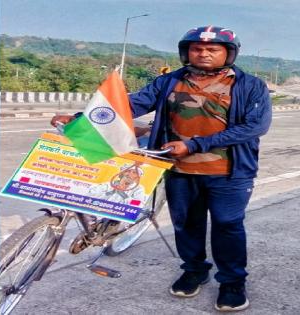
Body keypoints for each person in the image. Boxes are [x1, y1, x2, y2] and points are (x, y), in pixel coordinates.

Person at [51, 25, 272, 312]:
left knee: (227, 226)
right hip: (178, 169)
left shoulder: (249, 85)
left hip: (228, 173)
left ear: (228, 53)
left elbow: (255, 126)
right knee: (186, 224)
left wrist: (194, 145)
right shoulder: (169, 81)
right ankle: (194, 270)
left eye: (212, 49)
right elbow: (131, 105)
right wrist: (83, 119)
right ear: (186, 52)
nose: (203, 53)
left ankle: (232, 282)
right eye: (196, 48)